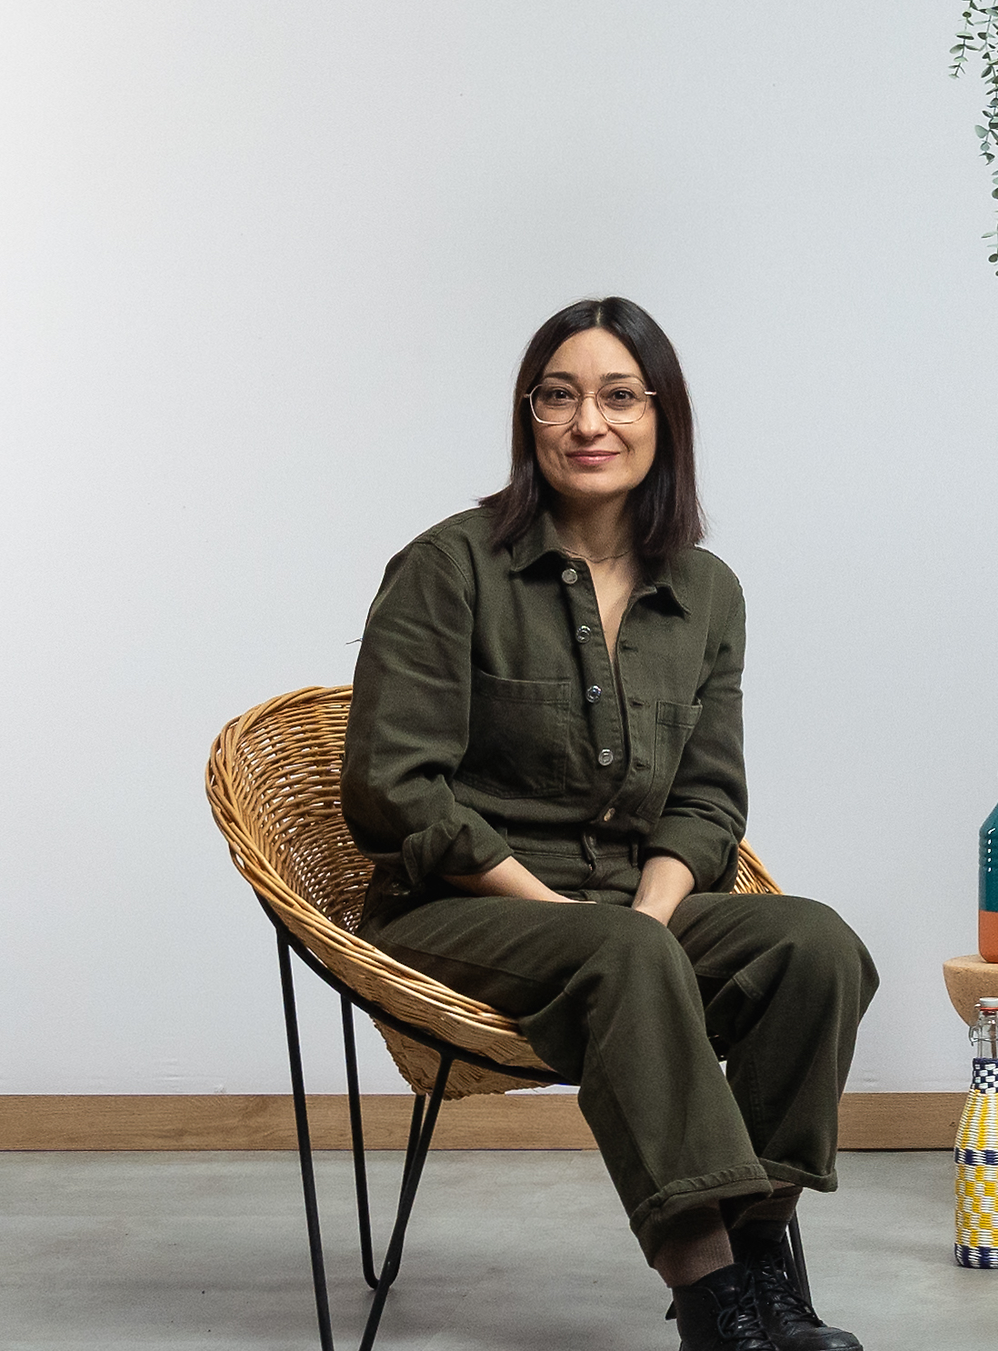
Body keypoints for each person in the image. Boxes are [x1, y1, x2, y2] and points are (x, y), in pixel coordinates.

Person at [342, 297, 877, 1351]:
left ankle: (762, 1268)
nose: (589, 421)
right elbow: (392, 788)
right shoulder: (448, 568)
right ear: (529, 418)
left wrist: (647, 911)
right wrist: (568, 915)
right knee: (624, 952)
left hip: (626, 911)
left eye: (619, 396)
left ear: (662, 419)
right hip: (460, 912)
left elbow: (709, 796)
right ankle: (716, 1307)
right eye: (560, 395)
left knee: (814, 947)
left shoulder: (707, 591)